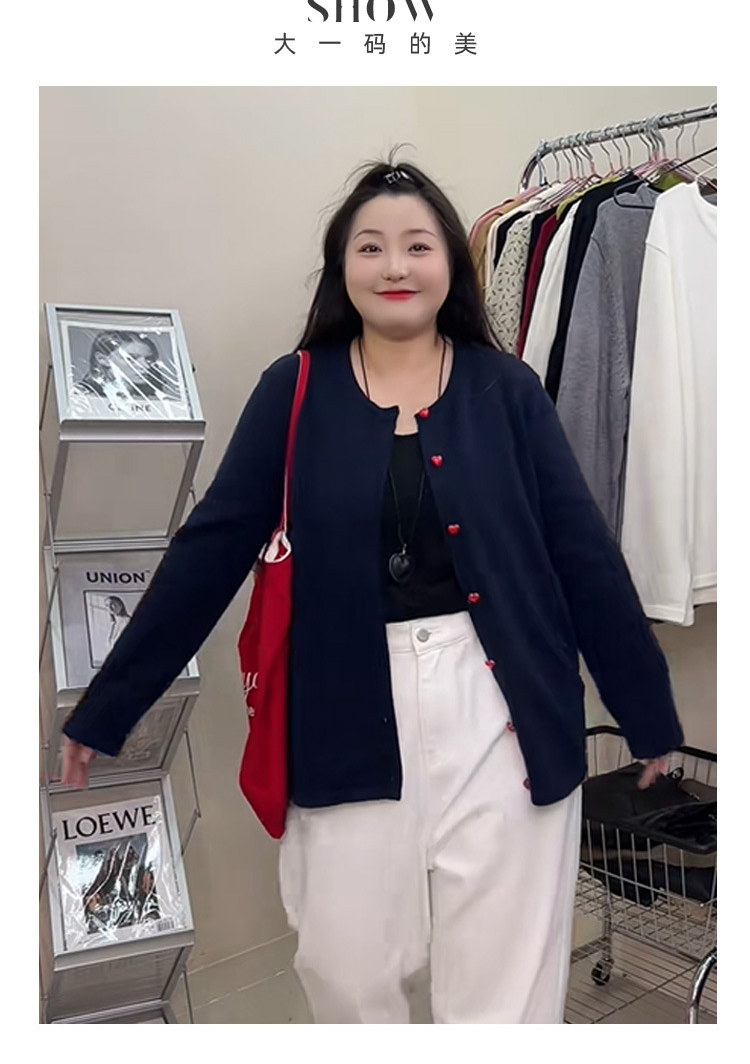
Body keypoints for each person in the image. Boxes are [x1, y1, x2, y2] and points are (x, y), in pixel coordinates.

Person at [61, 159, 683, 1024]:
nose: (396, 266)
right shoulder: (293, 388)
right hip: (341, 705)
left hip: (502, 709)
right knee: (346, 970)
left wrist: (646, 711)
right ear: (341, 266)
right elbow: (210, 550)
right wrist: (108, 708)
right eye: (372, 247)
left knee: (503, 987)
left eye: (418, 245)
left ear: (451, 263)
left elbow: (583, 557)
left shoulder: (506, 389)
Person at [73, 330, 178, 402]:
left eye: (149, 359)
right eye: (131, 358)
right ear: (103, 359)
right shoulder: (80, 398)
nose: (145, 366)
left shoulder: (160, 400)